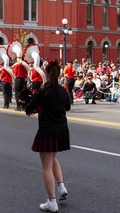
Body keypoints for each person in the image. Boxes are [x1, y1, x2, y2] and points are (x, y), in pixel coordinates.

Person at [25, 61, 70, 212]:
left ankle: (52, 201)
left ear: (47, 73)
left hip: (47, 130)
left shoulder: (44, 90)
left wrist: (35, 107)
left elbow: (29, 107)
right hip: (61, 129)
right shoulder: (62, 90)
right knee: (53, 158)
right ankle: (61, 186)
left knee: (46, 167)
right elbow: (67, 106)